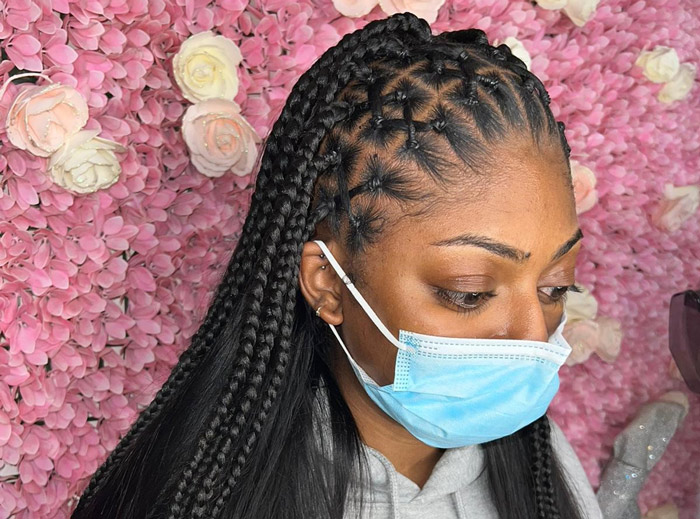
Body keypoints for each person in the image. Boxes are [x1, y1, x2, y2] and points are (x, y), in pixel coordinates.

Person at [71, 12, 604, 519]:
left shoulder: (541, 466)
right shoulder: (200, 495)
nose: (534, 337)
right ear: (327, 284)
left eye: (556, 287)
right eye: (468, 292)